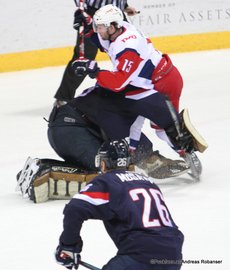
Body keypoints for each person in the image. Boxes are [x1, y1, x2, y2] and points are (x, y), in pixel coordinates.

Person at [71, 5, 195, 156]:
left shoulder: (129, 47)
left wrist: (95, 71)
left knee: (163, 130)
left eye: (101, 27)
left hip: (163, 83)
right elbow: (99, 40)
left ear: (113, 27)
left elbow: (118, 83)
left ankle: (187, 154)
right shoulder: (118, 30)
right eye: (98, 26)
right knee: (133, 120)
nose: (99, 30)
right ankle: (135, 154)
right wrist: (88, 24)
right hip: (144, 83)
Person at [55, 139, 184, 270]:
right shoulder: (148, 182)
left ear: (103, 163)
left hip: (140, 254)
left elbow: (75, 208)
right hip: (173, 254)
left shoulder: (108, 181)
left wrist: (68, 245)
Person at [48, 86, 189, 178]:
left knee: (113, 165)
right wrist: (145, 157)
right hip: (69, 130)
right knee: (109, 173)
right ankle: (49, 173)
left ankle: (54, 169)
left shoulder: (128, 89)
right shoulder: (135, 96)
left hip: (69, 126)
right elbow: (123, 136)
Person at [54, 0, 138, 105]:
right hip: (95, 14)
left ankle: (135, 90)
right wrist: (82, 10)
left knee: (127, 50)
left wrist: (124, 5)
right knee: (83, 59)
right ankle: (63, 98)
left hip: (116, 14)